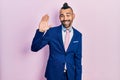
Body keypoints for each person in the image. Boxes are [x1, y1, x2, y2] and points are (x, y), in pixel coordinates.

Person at [31, 2, 82, 80]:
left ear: (73, 16)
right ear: (59, 17)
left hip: (70, 76)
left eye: (68, 15)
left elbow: (78, 60)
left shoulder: (78, 35)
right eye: (62, 16)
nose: (65, 18)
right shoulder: (52, 32)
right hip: (53, 75)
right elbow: (34, 48)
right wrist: (40, 31)